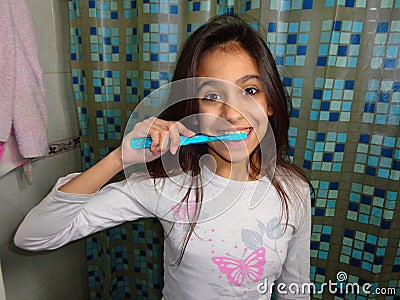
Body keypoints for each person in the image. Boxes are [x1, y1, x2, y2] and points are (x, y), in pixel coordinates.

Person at [14, 14, 312, 299]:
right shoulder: (167, 186)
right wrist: (119, 159)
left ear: (270, 102)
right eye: (212, 96)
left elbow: (295, 287)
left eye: (249, 90)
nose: (232, 114)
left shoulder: (294, 191)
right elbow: (33, 237)